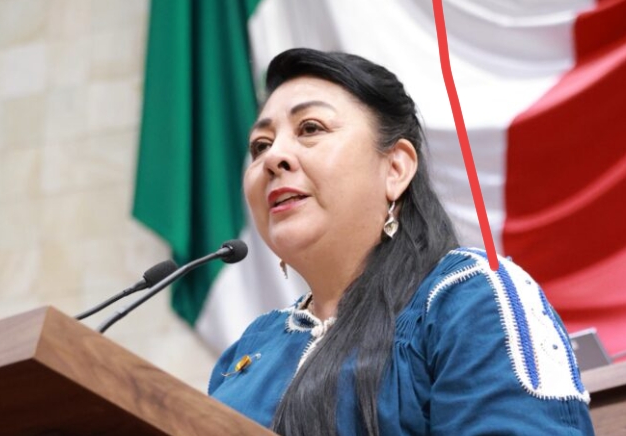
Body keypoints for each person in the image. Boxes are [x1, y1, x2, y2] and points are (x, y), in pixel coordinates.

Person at [208, 48, 594, 435]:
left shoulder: (468, 297)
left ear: (395, 168)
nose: (273, 157)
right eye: (260, 145)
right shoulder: (251, 347)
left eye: (310, 128)